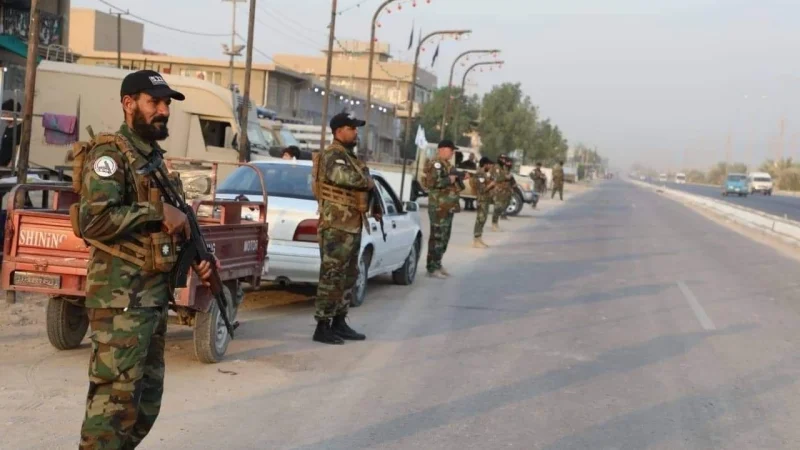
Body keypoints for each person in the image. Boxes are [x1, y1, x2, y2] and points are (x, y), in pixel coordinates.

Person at [76, 70, 215, 449]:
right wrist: (156, 213)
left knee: (145, 404)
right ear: (128, 104)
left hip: (150, 301)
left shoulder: (151, 158)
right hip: (119, 302)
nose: (164, 110)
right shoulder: (110, 155)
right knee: (112, 407)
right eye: (155, 102)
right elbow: (92, 220)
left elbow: (173, 225)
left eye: (167, 103)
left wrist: (195, 257)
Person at [311, 111, 376, 345]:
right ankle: (322, 325)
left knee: (349, 275)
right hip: (336, 226)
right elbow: (345, 177)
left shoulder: (351, 157)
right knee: (332, 275)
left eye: (356, 128)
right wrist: (367, 181)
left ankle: (339, 320)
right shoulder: (333, 155)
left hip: (351, 225)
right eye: (352, 128)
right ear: (339, 131)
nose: (356, 132)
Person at [423, 139, 467, 278]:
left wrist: (459, 179)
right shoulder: (435, 164)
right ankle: (432, 268)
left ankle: (438, 263)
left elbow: (454, 185)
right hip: (438, 206)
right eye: (451, 150)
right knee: (437, 236)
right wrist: (450, 179)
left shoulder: (447, 165)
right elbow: (432, 183)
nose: (453, 152)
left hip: (447, 206)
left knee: (444, 237)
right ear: (442, 149)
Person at [471, 157, 495, 248]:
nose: (491, 166)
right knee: (480, 219)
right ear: (485, 164)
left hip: (485, 199)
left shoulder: (484, 174)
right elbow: (481, 190)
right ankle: (476, 240)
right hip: (482, 199)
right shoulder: (480, 174)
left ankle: (479, 239)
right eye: (489, 165)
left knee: (483, 219)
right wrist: (491, 185)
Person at [490, 154, 513, 231]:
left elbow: (507, 175)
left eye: (504, 159)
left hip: (504, 190)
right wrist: (506, 177)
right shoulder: (496, 167)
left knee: (502, 207)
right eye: (502, 159)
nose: (503, 160)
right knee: (497, 207)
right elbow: (497, 178)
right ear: (499, 159)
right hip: (498, 190)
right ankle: (494, 224)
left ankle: (496, 223)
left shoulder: (503, 167)